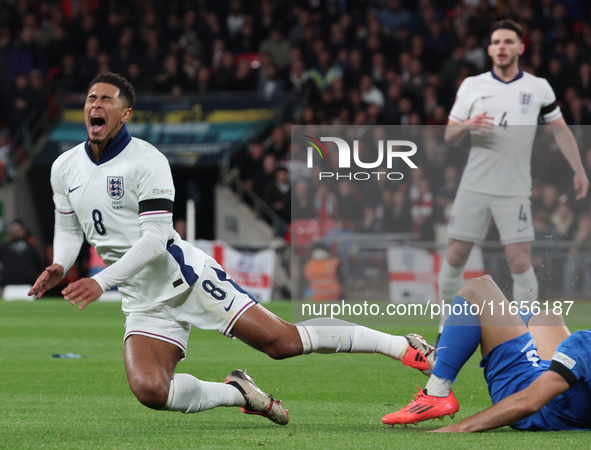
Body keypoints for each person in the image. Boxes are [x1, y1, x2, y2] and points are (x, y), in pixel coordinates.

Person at [28, 73, 435, 425]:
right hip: (142, 298)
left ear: (125, 114)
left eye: (106, 99)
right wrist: (62, 262)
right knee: (151, 390)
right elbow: (68, 223)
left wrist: (100, 281)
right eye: (90, 98)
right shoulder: (65, 166)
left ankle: (401, 345)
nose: (95, 105)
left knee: (283, 344)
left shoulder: (147, 161)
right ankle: (240, 393)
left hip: (185, 279)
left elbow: (154, 240)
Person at [438, 19, 589, 335]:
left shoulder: (538, 87)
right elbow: (449, 135)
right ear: (489, 49)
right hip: (475, 185)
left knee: (520, 262)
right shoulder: (472, 85)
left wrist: (579, 170)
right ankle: (445, 326)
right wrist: (468, 125)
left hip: (515, 188)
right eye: (495, 42)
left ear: (521, 47)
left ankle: (527, 333)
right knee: (455, 254)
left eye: (508, 42)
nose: (501, 47)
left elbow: (561, 133)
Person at [382, 275, 591, 432]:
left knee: (479, 287)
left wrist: (458, 428)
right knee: (546, 317)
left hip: (526, 393)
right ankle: (450, 352)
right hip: (568, 401)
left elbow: (529, 401)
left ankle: (437, 387)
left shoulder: (584, 343)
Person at [0, 220, 43, 286]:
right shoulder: (30, 247)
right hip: (25, 283)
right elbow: (39, 266)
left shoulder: (4, 247)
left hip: (11, 283)